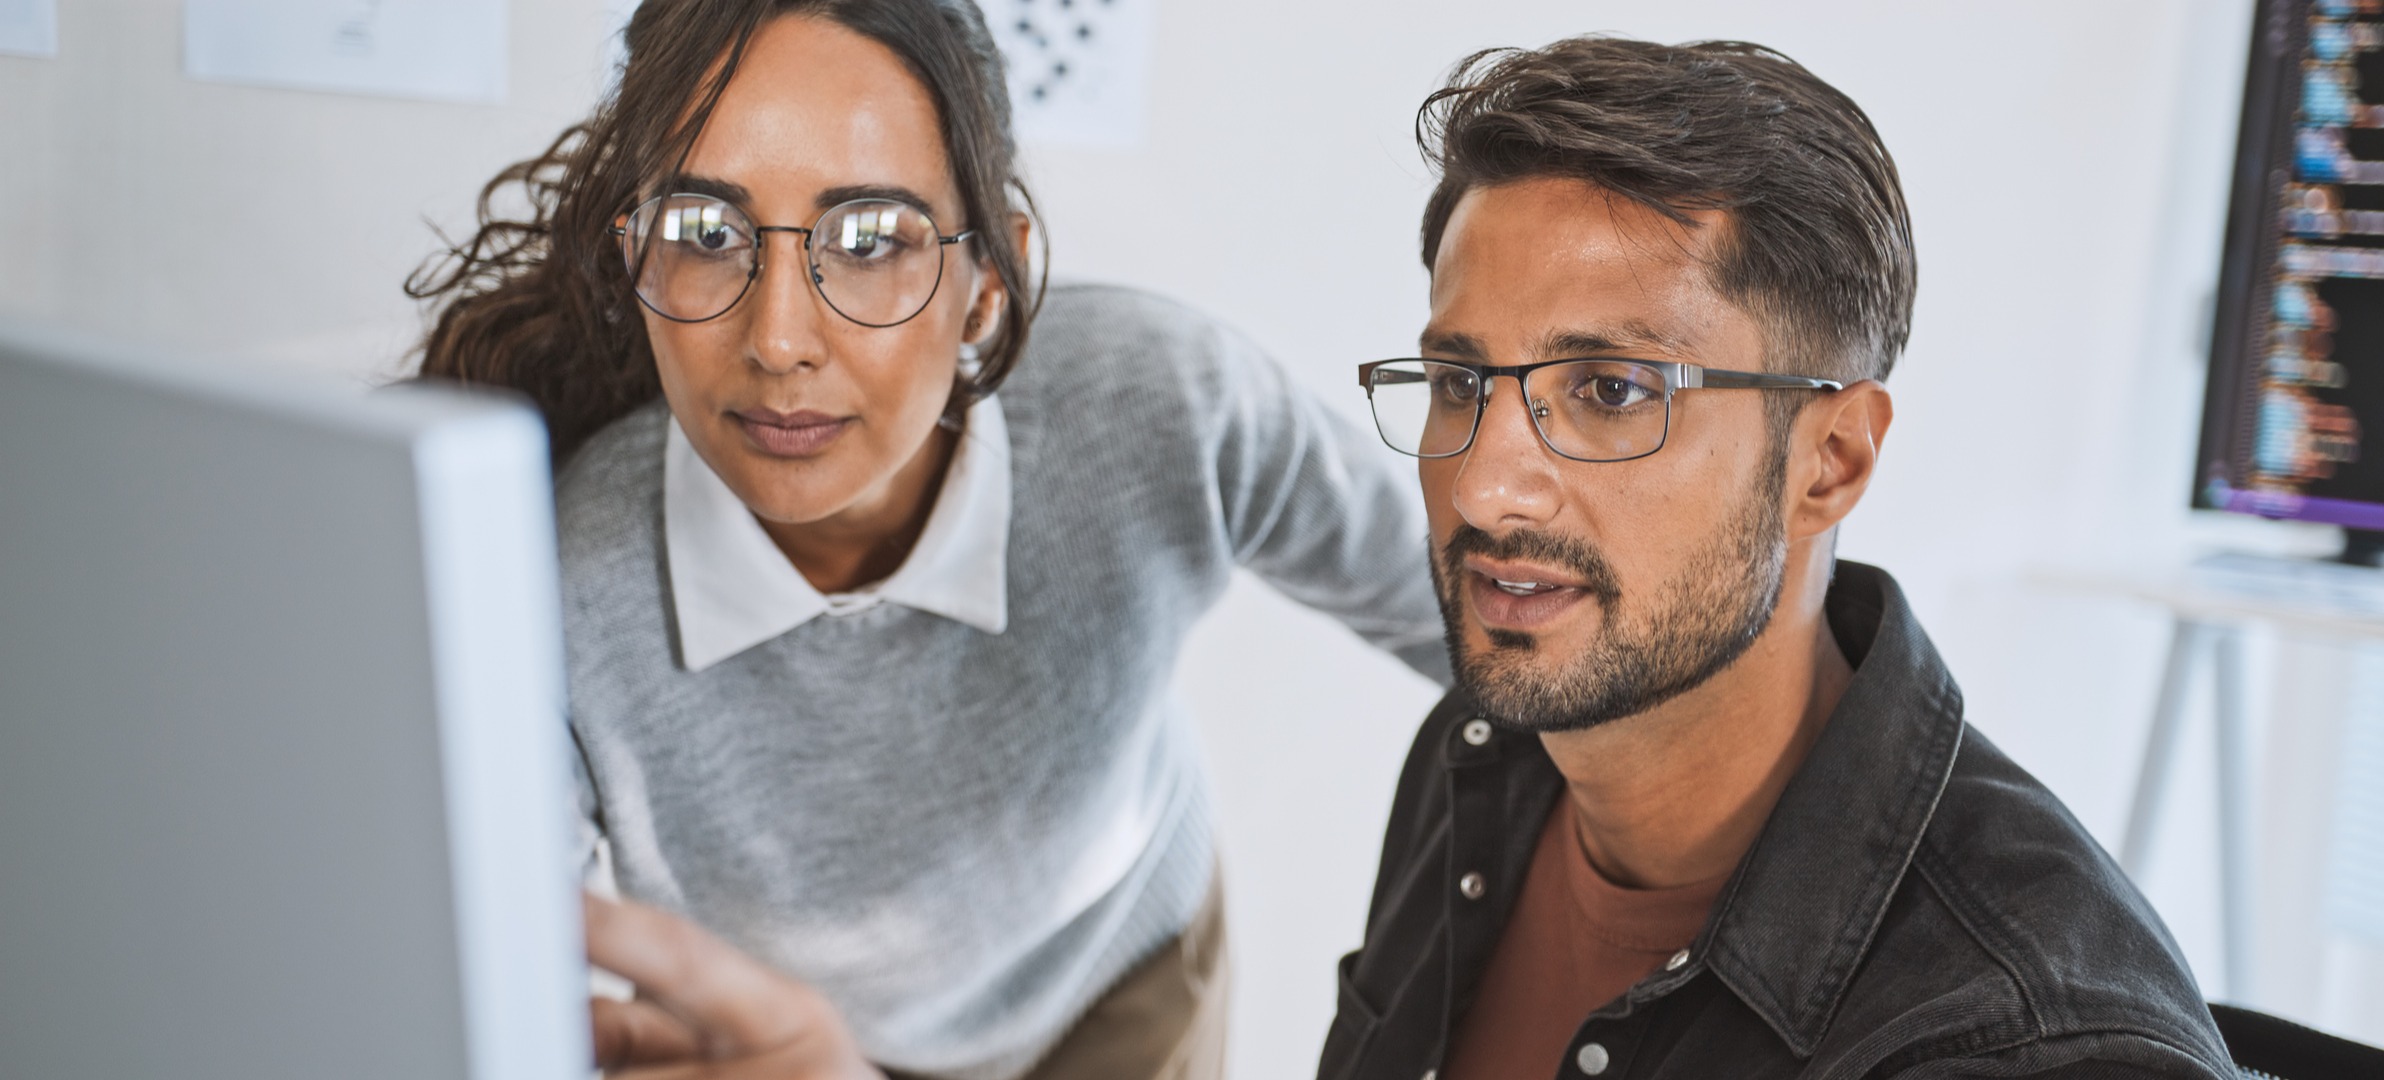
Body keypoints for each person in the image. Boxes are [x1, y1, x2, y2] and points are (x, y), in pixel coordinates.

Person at [571, 31, 2238, 1080]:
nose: (1484, 477)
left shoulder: (2019, 1037)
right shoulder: (1487, 765)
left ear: (1830, 457)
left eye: (1606, 391)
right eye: (1456, 382)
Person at [406, 2, 1447, 1079]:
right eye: (706, 234)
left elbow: (1483, 625)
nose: (776, 341)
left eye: (867, 240)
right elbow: (485, 995)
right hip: (803, 1049)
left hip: (1123, 987)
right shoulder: (547, 586)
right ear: (637, 258)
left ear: (988, 285)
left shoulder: (1165, 405)